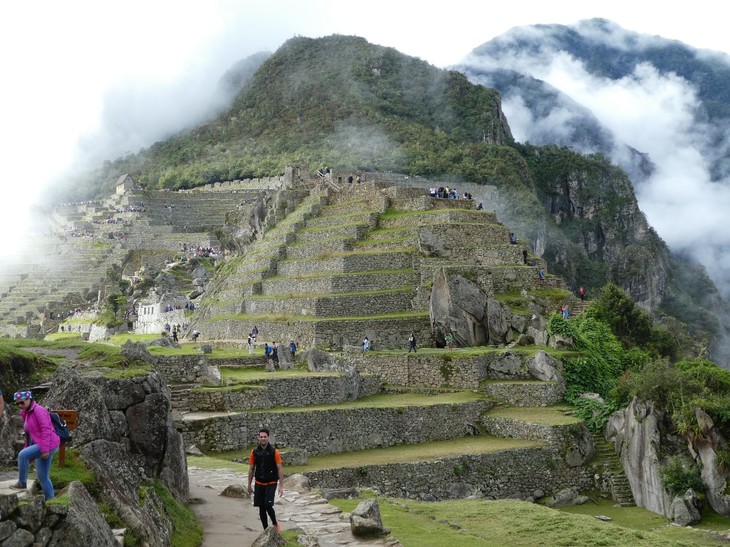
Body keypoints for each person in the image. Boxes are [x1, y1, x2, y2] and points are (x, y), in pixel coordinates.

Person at [10, 390, 60, 499]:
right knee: (43, 477)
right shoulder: (25, 413)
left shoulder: (38, 410)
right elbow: (30, 434)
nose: (19, 405)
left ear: (29, 399)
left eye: (22, 402)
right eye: (17, 403)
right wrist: (29, 448)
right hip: (42, 444)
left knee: (22, 455)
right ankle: (50, 500)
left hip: (48, 444)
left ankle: (22, 483)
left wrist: (45, 449)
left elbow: (46, 429)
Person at [247, 428, 284, 532]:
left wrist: (281, 486)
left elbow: (279, 468)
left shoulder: (274, 452)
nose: (263, 438)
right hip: (259, 483)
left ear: (268, 437)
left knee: (268, 505)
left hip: (271, 483)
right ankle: (266, 531)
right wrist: (249, 485)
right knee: (261, 508)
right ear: (258, 437)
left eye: (265, 437)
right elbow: (251, 469)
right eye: (261, 437)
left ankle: (275, 523)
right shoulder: (254, 452)